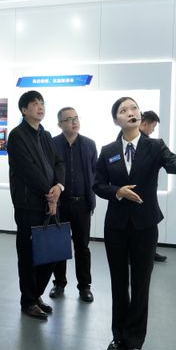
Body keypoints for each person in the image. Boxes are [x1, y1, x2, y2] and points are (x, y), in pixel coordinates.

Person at [93, 96, 176, 350]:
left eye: (134, 108)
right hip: (116, 227)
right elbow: (97, 184)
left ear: (140, 114)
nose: (130, 112)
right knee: (119, 283)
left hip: (145, 226)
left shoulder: (155, 146)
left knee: (141, 284)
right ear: (116, 120)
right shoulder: (108, 150)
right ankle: (118, 336)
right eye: (123, 110)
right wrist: (117, 191)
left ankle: (134, 341)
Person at [7, 90, 65, 320]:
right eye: (34, 104)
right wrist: (50, 195)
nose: (40, 107)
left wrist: (58, 186)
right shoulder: (17, 136)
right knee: (29, 254)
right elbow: (28, 170)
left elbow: (58, 162)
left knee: (50, 253)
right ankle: (28, 301)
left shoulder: (46, 135)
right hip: (28, 204)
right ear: (24, 110)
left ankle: (36, 294)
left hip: (50, 201)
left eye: (42, 103)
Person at [49, 107, 97, 302]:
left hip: (82, 203)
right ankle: (59, 283)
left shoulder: (89, 144)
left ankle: (84, 286)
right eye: (69, 119)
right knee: (59, 245)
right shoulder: (52, 144)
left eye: (76, 118)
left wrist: (91, 200)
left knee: (82, 247)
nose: (74, 122)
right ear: (59, 124)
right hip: (60, 204)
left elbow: (94, 173)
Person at [138, 110, 167, 262]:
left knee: (149, 226)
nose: (153, 130)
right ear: (144, 124)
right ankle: (146, 253)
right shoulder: (124, 143)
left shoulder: (152, 144)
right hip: (139, 196)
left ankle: (150, 251)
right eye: (153, 127)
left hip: (147, 196)